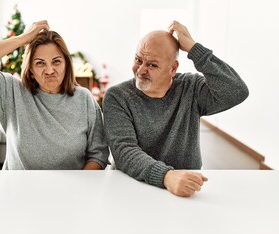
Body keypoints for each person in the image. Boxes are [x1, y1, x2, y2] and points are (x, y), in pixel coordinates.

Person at [103, 20, 249, 197]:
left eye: (152, 65)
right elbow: (124, 151)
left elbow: (237, 91)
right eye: (138, 59)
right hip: (131, 186)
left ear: (173, 69)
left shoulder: (192, 88)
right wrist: (166, 176)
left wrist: (195, 50)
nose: (140, 70)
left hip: (185, 189)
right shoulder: (117, 96)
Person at [0, 20, 109, 170]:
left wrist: (76, 188)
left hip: (71, 190)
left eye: (56, 62)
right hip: (18, 189)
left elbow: (98, 154)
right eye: (40, 63)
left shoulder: (84, 99)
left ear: (66, 64)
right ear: (30, 68)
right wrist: (23, 39)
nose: (49, 70)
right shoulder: (12, 91)